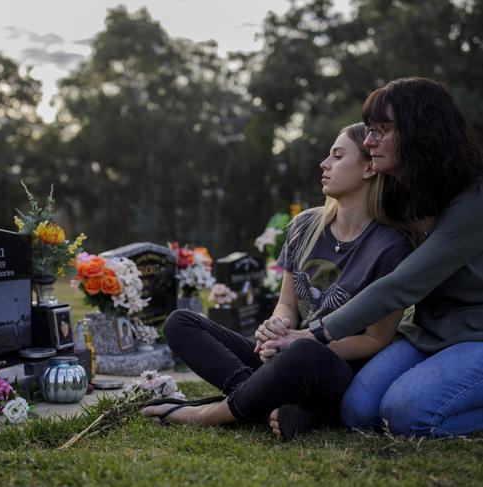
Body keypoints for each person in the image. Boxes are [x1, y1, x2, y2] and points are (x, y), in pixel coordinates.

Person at [142, 123, 411, 439]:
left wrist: (299, 340)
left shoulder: (391, 246)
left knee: (303, 353)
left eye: (338, 156)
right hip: (285, 356)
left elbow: (375, 340)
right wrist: (276, 329)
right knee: (180, 323)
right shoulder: (305, 226)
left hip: (335, 370)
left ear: (369, 168)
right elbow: (286, 303)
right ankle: (263, 402)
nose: (324, 164)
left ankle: (210, 413)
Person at [264, 77, 483, 438]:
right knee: (357, 411)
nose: (369, 142)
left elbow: (401, 285)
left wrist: (314, 335)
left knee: (405, 415)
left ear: (420, 134)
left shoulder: (472, 202)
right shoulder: (405, 194)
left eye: (381, 130)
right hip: (429, 333)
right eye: (369, 130)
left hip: (476, 337)